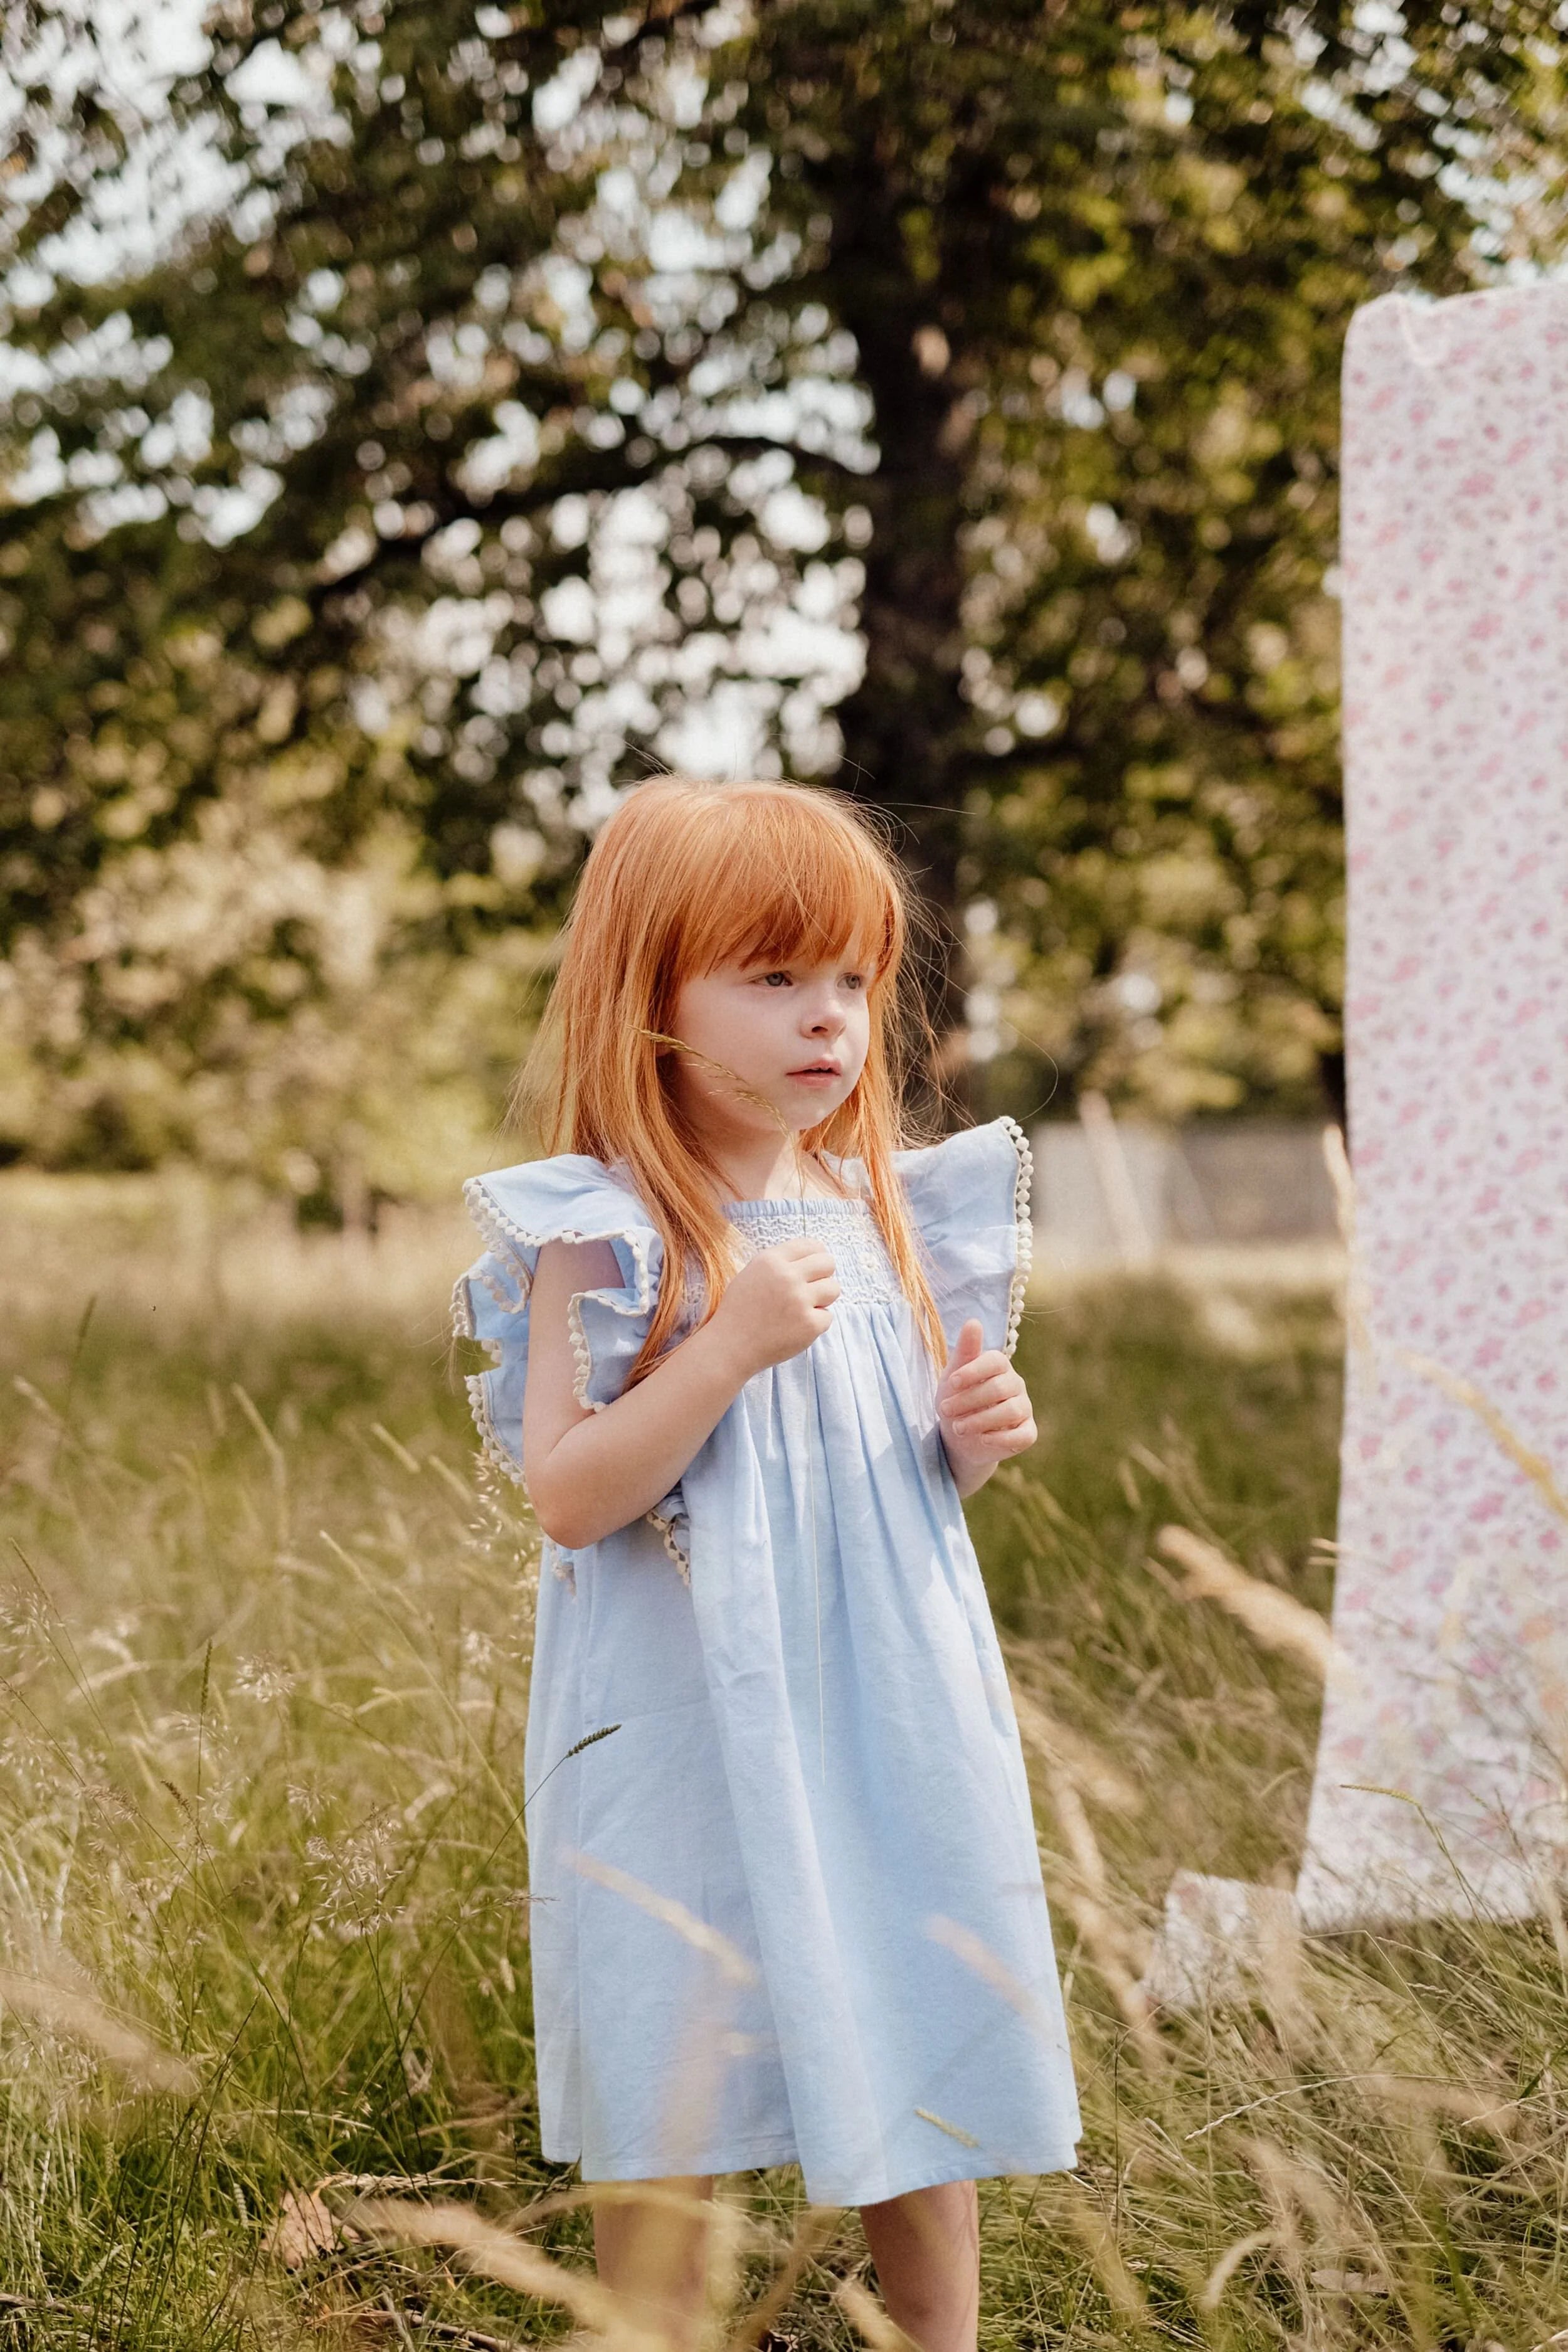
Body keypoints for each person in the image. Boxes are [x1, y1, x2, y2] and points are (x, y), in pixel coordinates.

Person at [453, 777, 1081, 2350]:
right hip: (684, 1725)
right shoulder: (607, 1234)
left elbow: (877, 1486)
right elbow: (571, 1495)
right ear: (646, 1000)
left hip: (885, 1704)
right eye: (771, 976)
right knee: (683, 2044)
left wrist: (969, 1441)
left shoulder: (884, 1211)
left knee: (915, 1992)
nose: (828, 1020)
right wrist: (720, 1348)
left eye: (852, 981)